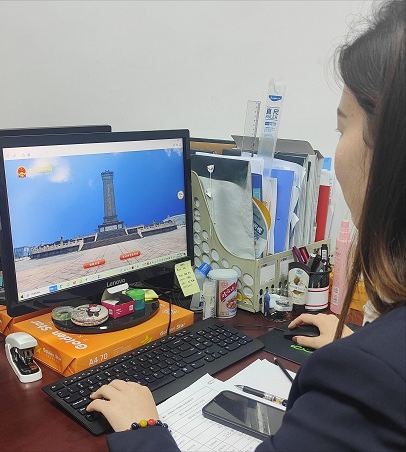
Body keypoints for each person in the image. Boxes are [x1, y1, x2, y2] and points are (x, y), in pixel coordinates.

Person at [86, 1, 406, 450]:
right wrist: (359, 341)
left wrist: (143, 429)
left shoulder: (367, 376)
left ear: (390, 150)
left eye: (341, 127)